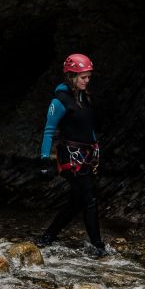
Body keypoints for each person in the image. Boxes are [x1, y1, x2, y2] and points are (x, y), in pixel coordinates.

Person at [36, 53, 108, 257]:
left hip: (87, 156)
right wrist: (44, 161)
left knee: (77, 201)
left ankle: (47, 237)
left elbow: (90, 128)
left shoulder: (84, 98)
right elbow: (49, 131)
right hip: (70, 157)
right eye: (83, 77)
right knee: (89, 199)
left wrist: (96, 151)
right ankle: (97, 246)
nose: (87, 80)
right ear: (71, 76)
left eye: (88, 76)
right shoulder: (59, 101)